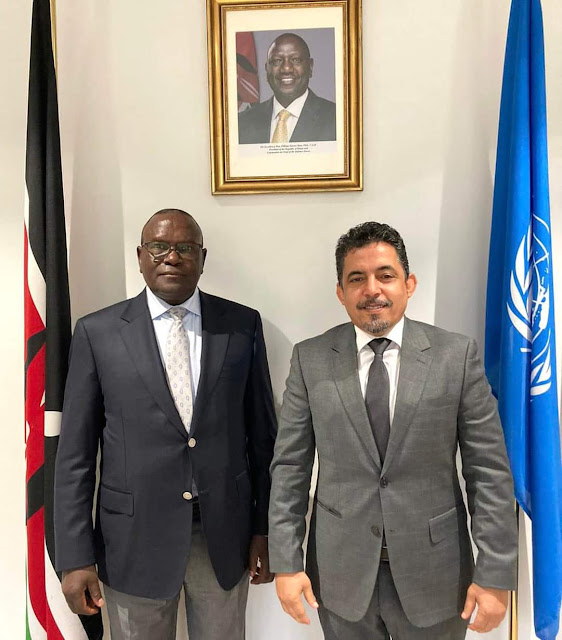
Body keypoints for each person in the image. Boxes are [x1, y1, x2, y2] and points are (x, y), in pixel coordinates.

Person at [269, 222, 518, 639]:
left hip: (437, 575)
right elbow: (289, 469)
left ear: (409, 283)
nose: (372, 290)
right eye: (356, 279)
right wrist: (286, 563)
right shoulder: (310, 359)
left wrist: (495, 572)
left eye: (385, 275)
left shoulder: (456, 357)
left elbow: (488, 472)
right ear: (341, 292)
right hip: (341, 574)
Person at [54, 208, 277, 640]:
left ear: (203, 258)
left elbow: (263, 439)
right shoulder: (98, 333)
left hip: (223, 538)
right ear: (140, 256)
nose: (171, 257)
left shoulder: (241, 325)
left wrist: (264, 529)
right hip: (131, 541)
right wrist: (75, 556)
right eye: (158, 246)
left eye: (185, 248)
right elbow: (75, 457)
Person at [238, 32, 336, 144]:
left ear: (310, 67)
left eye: (296, 60)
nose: (286, 68)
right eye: (277, 61)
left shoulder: (336, 118)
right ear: (267, 69)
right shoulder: (242, 123)